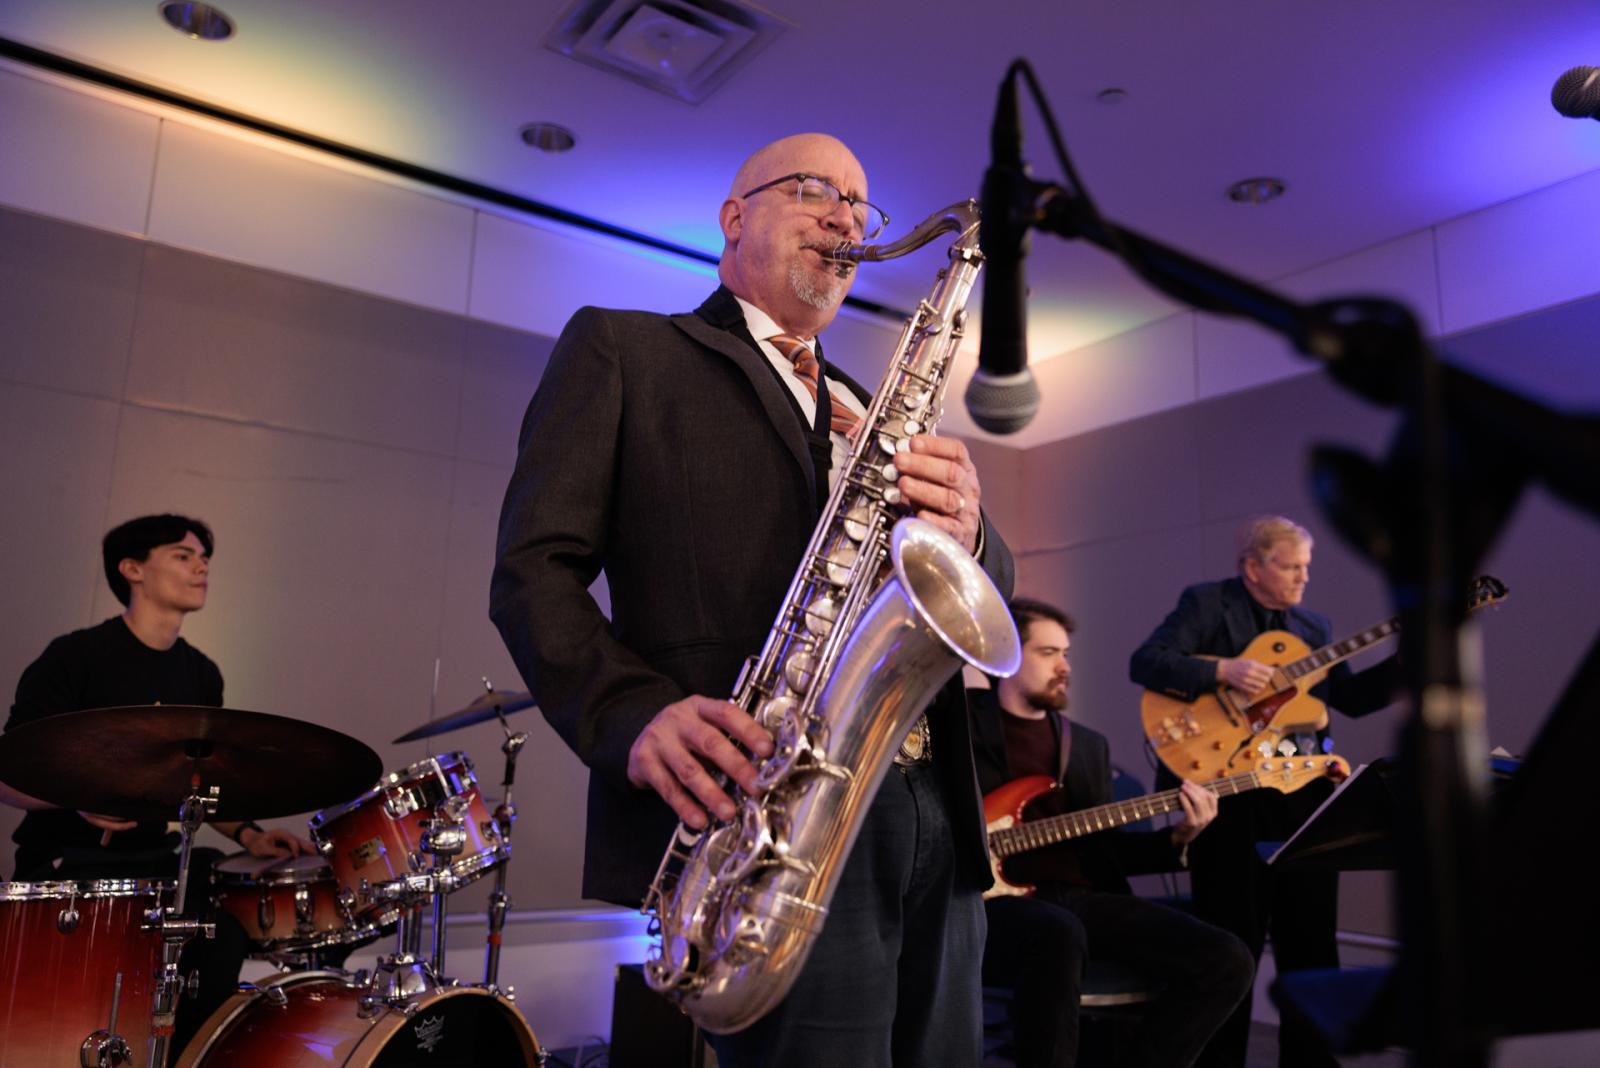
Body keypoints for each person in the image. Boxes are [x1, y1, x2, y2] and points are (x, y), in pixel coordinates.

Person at [491, 133, 1014, 1067]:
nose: (846, 218)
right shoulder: (625, 349)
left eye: (860, 203)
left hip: (934, 816)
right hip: (770, 814)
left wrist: (969, 529)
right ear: (734, 219)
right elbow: (532, 570)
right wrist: (629, 713)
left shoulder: (875, 402)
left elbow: (980, 590)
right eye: (815, 189)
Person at [0, 513, 315, 1053]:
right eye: (182, 556)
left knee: (222, 932)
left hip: (157, 866)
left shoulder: (201, 674)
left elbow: (198, 783)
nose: (201, 568)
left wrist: (252, 835)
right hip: (70, 867)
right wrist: (77, 801)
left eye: (204, 559)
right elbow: (7, 773)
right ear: (132, 569)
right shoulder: (75, 657)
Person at [1128, 515, 1400, 1068]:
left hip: (1301, 795)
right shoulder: (1208, 604)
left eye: (1307, 566)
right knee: (1232, 943)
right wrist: (1223, 671)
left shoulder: (1314, 625)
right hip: (1226, 797)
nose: (1304, 577)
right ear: (1253, 567)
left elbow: (1352, 699)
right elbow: (1147, 661)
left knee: (1312, 943)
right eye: (1292, 566)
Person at [973, 597, 1253, 1068]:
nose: (1065, 667)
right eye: (1048, 653)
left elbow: (1107, 851)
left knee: (1228, 959)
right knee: (1058, 933)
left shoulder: (1087, 746)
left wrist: (1181, 836)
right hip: (990, 904)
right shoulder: (962, 728)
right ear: (1008, 654)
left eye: (1066, 654)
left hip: (1080, 898)